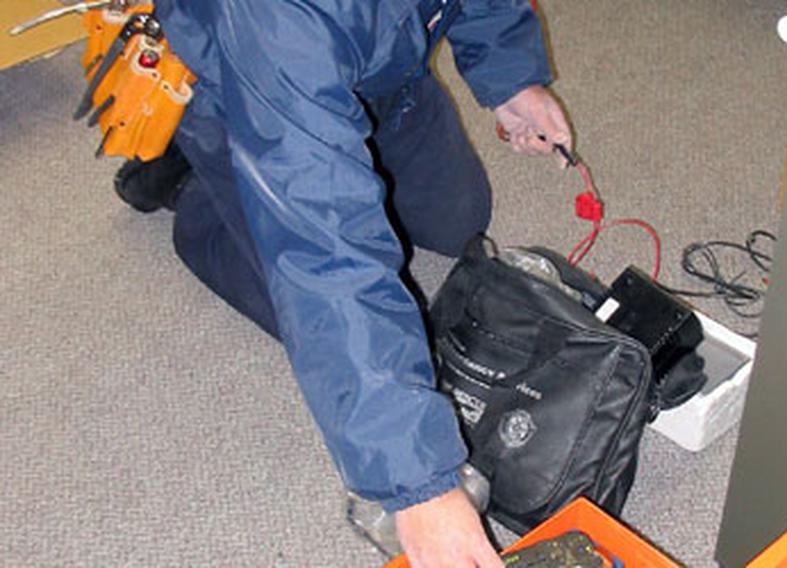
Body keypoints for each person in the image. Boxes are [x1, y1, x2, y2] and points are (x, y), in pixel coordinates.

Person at [120, 1, 572, 565]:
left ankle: (340, 121)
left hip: (380, 68)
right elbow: (324, 247)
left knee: (460, 217)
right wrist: (418, 485)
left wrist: (510, 79)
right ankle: (188, 184)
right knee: (308, 314)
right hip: (252, 90)